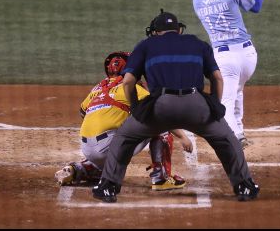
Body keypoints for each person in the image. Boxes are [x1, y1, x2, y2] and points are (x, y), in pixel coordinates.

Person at [92, 10, 259, 203]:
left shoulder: (145, 46)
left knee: (125, 137)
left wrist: (137, 109)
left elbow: (128, 82)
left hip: (159, 109)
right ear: (178, 30)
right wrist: (215, 105)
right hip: (197, 106)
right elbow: (217, 78)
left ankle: (108, 187)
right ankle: (244, 186)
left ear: (155, 32)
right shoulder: (197, 43)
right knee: (227, 139)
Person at [54, 51, 193, 191]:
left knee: (106, 166)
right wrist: (183, 137)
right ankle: (161, 178)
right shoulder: (131, 87)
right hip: (107, 147)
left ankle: (77, 169)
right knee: (159, 126)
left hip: (87, 148)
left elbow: (83, 111)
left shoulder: (98, 88)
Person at [190, 0, 275, 148]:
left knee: (226, 99)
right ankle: (240, 131)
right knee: (237, 91)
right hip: (248, 57)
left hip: (225, 59)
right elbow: (255, 7)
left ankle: (235, 137)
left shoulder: (197, 0)